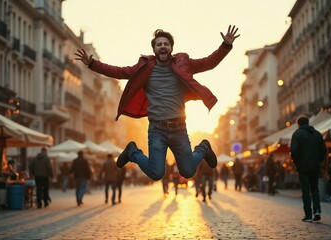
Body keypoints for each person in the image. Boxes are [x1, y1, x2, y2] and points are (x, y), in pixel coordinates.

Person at [75, 25, 240, 182]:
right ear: (154, 49)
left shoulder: (183, 63)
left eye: (166, 44)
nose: (163, 46)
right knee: (156, 173)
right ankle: (133, 151)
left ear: (171, 48)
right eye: (159, 44)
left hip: (179, 128)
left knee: (188, 171)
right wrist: (92, 64)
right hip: (157, 130)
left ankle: (203, 147)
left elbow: (208, 63)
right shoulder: (145, 67)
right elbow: (118, 71)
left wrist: (225, 45)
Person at [290, 115, 327, 222]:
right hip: (315, 167)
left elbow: (294, 151)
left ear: (299, 124)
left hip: (302, 167)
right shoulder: (317, 134)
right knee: (315, 189)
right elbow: (323, 150)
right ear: (308, 123)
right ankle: (317, 211)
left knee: (305, 191)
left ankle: (308, 215)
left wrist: (297, 163)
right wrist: (318, 161)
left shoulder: (297, 134)